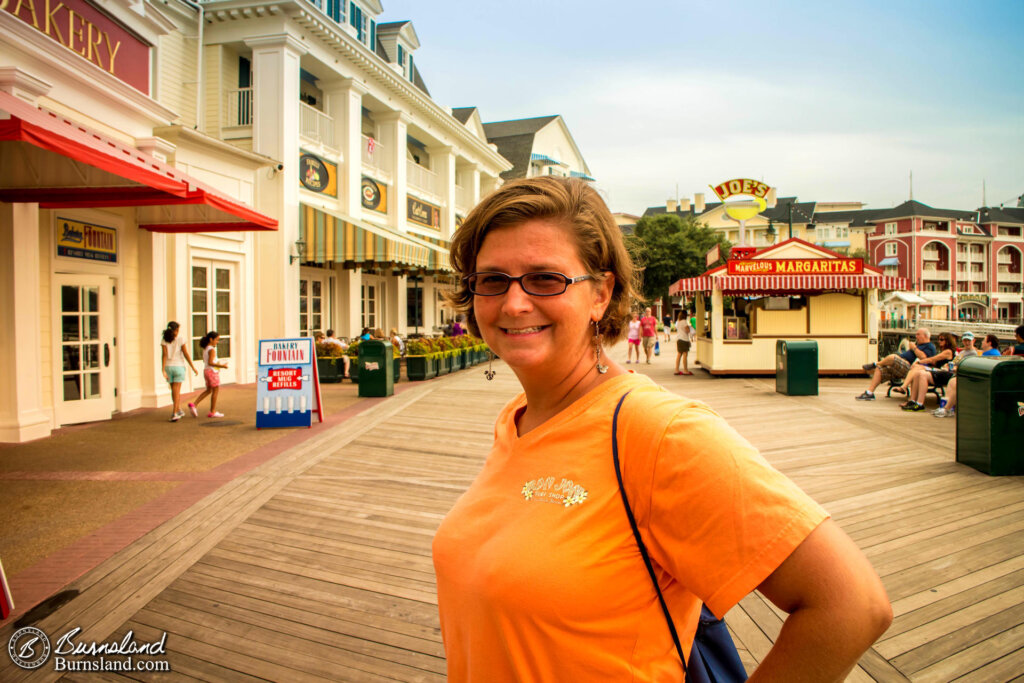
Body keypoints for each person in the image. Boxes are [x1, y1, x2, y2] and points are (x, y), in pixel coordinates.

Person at [433, 176, 892, 681]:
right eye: (493, 279)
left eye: (546, 279)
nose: (514, 302)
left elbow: (851, 605)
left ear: (601, 294)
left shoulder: (659, 433)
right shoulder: (519, 419)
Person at [855, 327, 937, 400]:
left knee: (893, 357)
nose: (916, 336)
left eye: (918, 334)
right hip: (901, 366)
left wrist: (914, 348)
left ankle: (875, 364)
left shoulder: (930, 346)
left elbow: (924, 358)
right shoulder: (919, 345)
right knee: (880, 369)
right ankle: (869, 393)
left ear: (925, 336)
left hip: (911, 368)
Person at [900, 332, 973, 411]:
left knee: (921, 372)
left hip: (949, 374)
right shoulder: (961, 353)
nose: (939, 341)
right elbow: (951, 362)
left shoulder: (951, 351)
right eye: (965, 341)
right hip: (944, 371)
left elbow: (933, 359)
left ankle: (918, 402)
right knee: (918, 372)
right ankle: (913, 401)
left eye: (941, 339)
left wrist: (920, 362)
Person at [160, 321, 198, 422]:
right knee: (177, 391)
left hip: (169, 367)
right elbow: (185, 354)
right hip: (179, 366)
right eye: (177, 330)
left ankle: (178, 409)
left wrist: (163, 369)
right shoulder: (181, 339)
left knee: (174, 391)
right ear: (176, 330)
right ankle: (174, 412)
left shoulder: (164, 340)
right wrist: (192, 366)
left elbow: (164, 355)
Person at [188, 331, 228, 418]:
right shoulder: (212, 350)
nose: (217, 342)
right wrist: (222, 366)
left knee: (209, 390)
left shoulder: (206, 349)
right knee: (215, 391)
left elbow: (207, 362)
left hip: (206, 371)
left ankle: (194, 404)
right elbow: (211, 362)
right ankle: (212, 411)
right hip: (212, 371)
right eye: (217, 340)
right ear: (211, 339)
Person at [674, 311, 695, 376]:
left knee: (679, 354)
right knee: (685, 354)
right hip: (684, 339)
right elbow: (687, 330)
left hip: (679, 339)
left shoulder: (678, 322)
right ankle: (685, 370)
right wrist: (691, 329)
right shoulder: (684, 321)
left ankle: (676, 370)